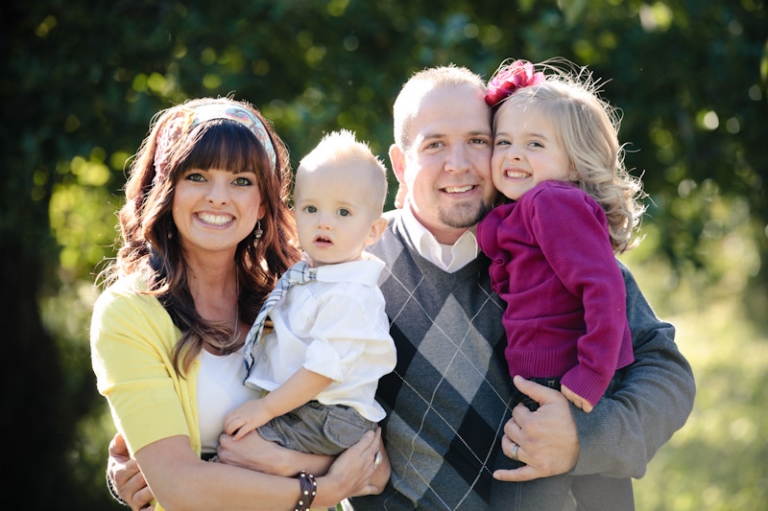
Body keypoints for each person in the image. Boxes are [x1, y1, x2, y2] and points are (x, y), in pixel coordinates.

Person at [108, 66, 695, 511]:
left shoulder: (553, 249)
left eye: (479, 140)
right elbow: (259, 395)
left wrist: (583, 439)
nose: (459, 164)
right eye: (435, 144)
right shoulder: (343, 268)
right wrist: (161, 457)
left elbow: (667, 375)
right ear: (399, 160)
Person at [90, 97, 388, 511]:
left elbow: (373, 461)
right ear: (167, 189)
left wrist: (285, 463)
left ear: (264, 203)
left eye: (242, 180)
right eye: (197, 176)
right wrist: (324, 487)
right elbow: (180, 486)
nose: (218, 197)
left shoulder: (295, 294)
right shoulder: (129, 312)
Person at [476, 58, 644, 509]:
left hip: (567, 373)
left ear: (573, 163)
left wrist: (590, 373)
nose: (513, 154)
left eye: (534, 144)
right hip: (546, 372)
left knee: (522, 490)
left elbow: (604, 290)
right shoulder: (518, 212)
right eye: (504, 141)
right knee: (600, 490)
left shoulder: (551, 202)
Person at [222, 130, 397, 457]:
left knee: (237, 453)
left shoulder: (351, 295)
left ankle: (313, 475)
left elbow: (321, 372)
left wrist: (264, 410)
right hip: (303, 405)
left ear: (373, 231)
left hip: (329, 413)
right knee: (231, 447)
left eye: (343, 212)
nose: (324, 223)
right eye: (311, 208)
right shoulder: (308, 277)